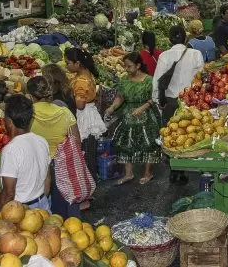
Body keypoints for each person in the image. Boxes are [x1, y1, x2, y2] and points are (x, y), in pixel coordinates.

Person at [152, 25, 204, 184]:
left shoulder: (164, 56)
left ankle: (175, 170)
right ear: (186, 38)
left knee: (172, 136)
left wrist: (157, 101)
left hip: (171, 102)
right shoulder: (196, 54)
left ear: (169, 39)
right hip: (191, 102)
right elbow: (200, 79)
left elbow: (157, 81)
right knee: (191, 133)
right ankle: (191, 167)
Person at [27, 76, 82, 219]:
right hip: (62, 166)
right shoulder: (64, 113)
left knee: (39, 216)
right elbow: (76, 141)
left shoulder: (28, 114)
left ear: (30, 95)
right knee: (65, 212)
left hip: (38, 167)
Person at [105, 52, 162, 185]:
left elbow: (154, 98)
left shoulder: (149, 80)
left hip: (147, 115)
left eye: (129, 66)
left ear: (138, 65)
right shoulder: (124, 80)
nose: (126, 69)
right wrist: (113, 107)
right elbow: (120, 97)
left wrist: (142, 108)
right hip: (128, 115)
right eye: (125, 66)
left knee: (149, 144)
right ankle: (128, 173)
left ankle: (148, 173)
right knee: (124, 143)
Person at [65, 48, 106, 211]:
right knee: (88, 156)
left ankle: (85, 196)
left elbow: (80, 104)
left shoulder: (82, 80)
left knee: (83, 157)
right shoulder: (87, 74)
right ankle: (88, 192)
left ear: (77, 63)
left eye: (68, 63)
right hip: (90, 115)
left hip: (84, 118)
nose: (66, 65)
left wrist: (68, 99)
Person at [0, 95, 51, 212]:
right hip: (42, 205)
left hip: (20, 211)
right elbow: (47, 179)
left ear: (9, 121)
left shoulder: (11, 150)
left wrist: (0, 216)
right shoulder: (41, 141)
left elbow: (9, 193)